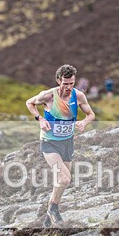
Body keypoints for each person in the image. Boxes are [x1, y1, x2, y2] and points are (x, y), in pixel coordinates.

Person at [25, 64, 96, 226]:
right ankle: (53, 209)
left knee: (62, 180)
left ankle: (47, 221)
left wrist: (84, 122)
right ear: (58, 81)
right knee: (64, 178)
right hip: (49, 143)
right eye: (65, 83)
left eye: (71, 83)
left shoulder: (78, 96)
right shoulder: (48, 96)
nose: (69, 87)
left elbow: (91, 114)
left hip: (67, 142)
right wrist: (40, 119)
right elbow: (29, 103)